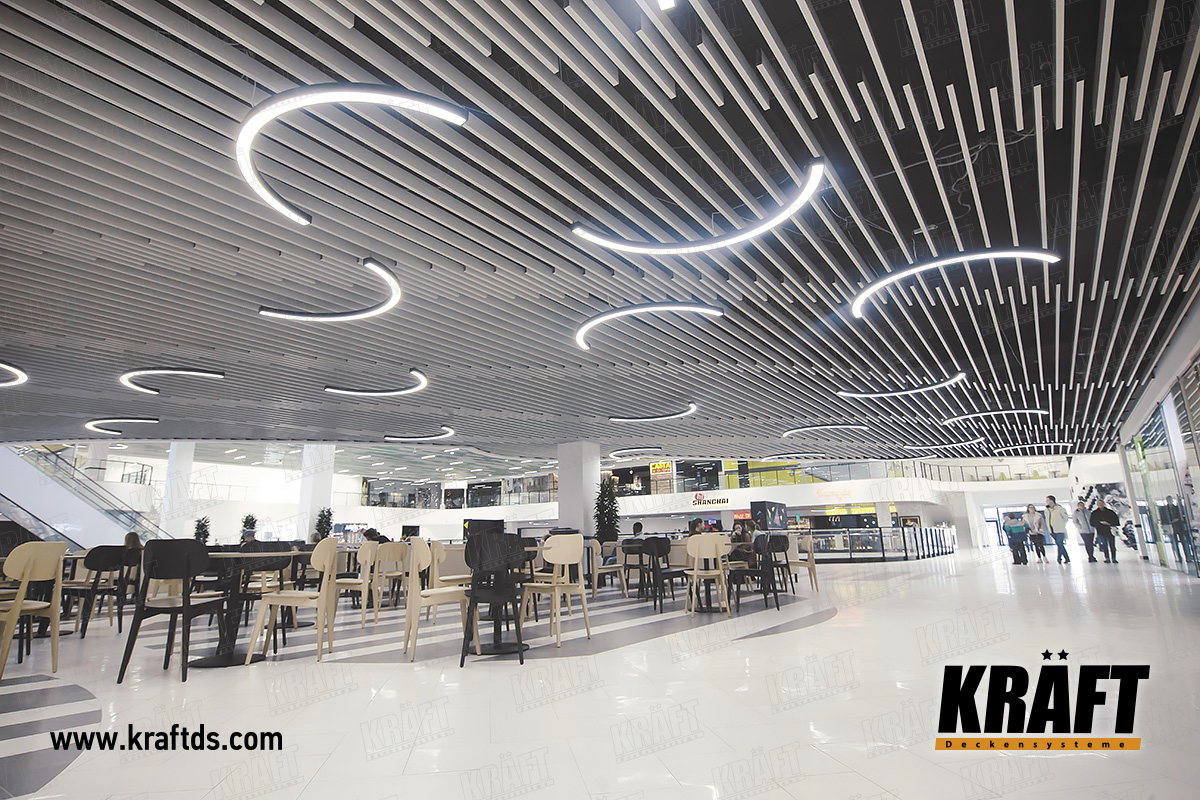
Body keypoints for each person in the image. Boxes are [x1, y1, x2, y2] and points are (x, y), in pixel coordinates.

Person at [1090, 498, 1121, 564]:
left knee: (1112, 545)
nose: (1101, 505)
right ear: (1097, 504)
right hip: (1101, 531)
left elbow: (1116, 520)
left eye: (1101, 503)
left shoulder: (1110, 512)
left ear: (1104, 504)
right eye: (1099, 504)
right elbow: (1092, 523)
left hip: (1110, 530)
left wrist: (1109, 523)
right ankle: (1107, 558)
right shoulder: (1095, 513)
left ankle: (1114, 558)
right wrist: (1100, 522)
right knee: (1104, 545)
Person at [1044, 495, 1070, 564]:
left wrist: (1061, 524)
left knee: (1059, 543)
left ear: (1051, 500)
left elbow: (1065, 518)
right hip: (1052, 530)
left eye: (1047, 500)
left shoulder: (1059, 508)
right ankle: (1067, 558)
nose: (1046, 502)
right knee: (1059, 544)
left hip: (1060, 529)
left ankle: (1059, 558)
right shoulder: (1047, 510)